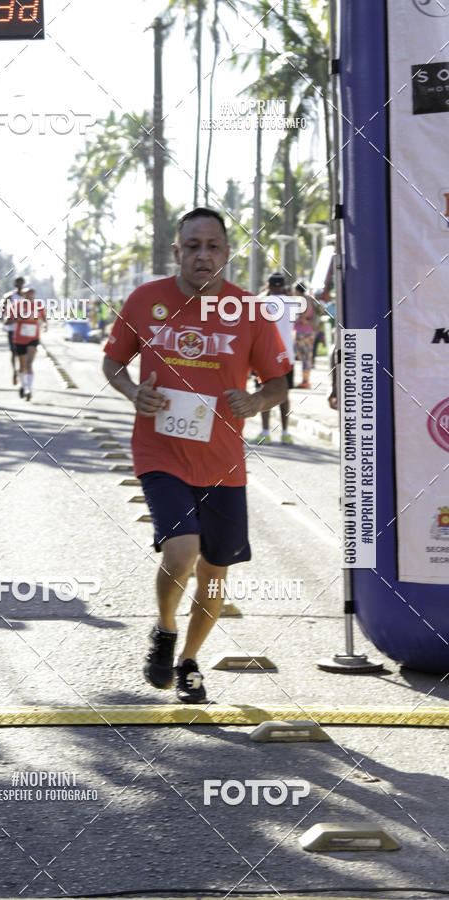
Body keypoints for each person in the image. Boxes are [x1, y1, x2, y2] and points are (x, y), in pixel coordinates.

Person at [103, 207, 290, 703]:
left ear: (227, 254)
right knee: (182, 549)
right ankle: (165, 629)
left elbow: (278, 382)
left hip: (223, 459)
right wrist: (132, 392)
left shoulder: (250, 311)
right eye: (192, 246)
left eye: (212, 246)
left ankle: (188, 661)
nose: (202, 255)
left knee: (214, 570)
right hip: (158, 449)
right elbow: (113, 361)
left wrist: (256, 400)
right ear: (177, 252)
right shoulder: (146, 300)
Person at [251, 273, 295, 445]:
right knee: (284, 394)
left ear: (268, 286)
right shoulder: (292, 303)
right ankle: (285, 433)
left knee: (265, 392)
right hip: (287, 355)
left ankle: (265, 431)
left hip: (265, 355)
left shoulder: (261, 303)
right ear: (284, 286)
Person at [13, 285, 46, 401]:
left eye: (31, 292)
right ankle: (22, 385)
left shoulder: (39, 305)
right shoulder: (16, 305)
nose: (29, 295)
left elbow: (44, 318)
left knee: (29, 363)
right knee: (22, 366)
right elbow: (7, 321)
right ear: (23, 294)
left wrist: (45, 324)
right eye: (27, 293)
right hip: (19, 339)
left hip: (33, 338)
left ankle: (29, 389)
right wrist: (19, 318)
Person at [294, 283, 319, 389]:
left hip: (302, 331)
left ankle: (305, 381)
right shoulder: (308, 298)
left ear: (297, 290)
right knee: (306, 355)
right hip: (309, 330)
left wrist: (302, 317)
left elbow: (306, 311)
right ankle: (305, 379)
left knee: (304, 356)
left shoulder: (302, 299)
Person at [5, 277, 25, 385]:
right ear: (15, 284)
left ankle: (22, 371)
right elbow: (3, 310)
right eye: (18, 283)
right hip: (12, 328)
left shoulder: (26, 296)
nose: (19, 285)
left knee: (23, 353)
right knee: (13, 352)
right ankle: (14, 371)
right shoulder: (10, 297)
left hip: (24, 328)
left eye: (21, 283)